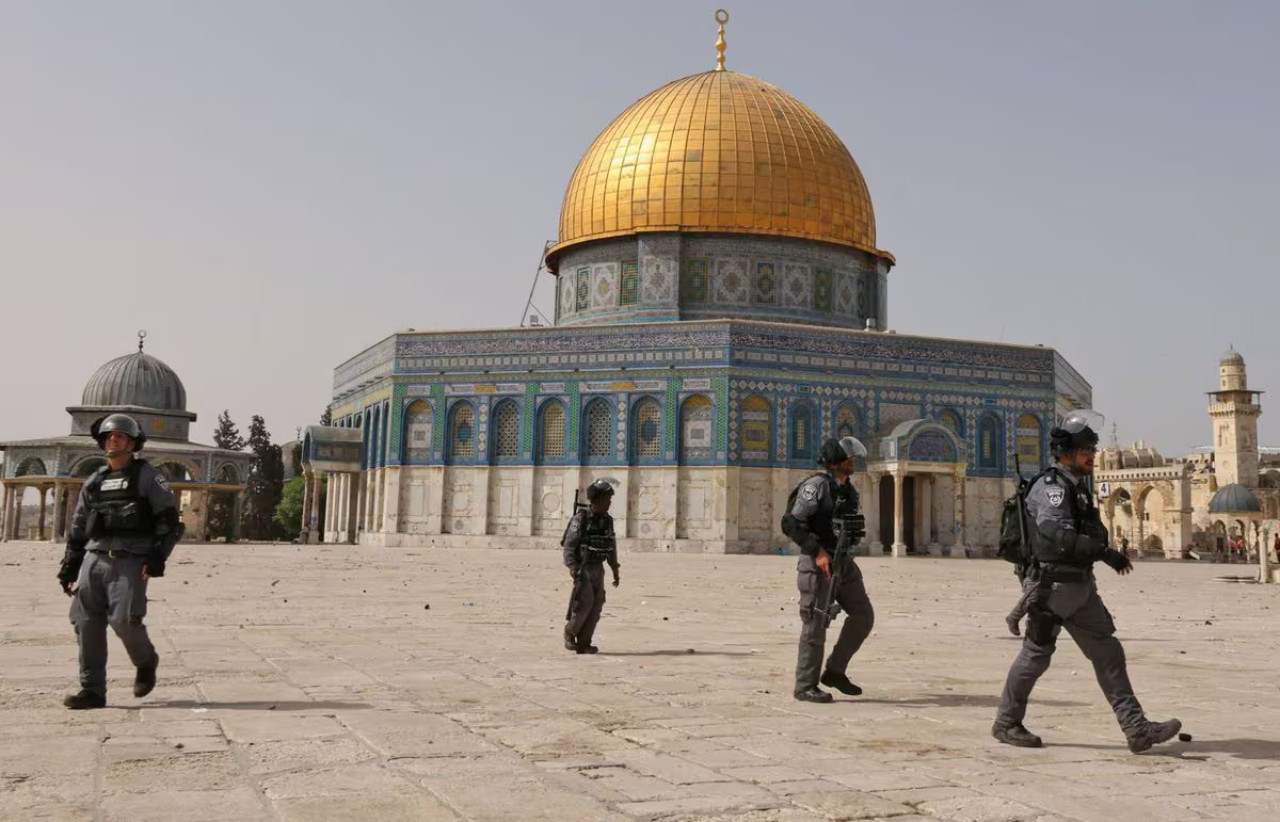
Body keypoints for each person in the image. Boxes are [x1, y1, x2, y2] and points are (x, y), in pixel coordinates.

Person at [993, 410, 1181, 753]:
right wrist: (1104, 553)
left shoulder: (1076, 487)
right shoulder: (1051, 487)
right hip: (1053, 589)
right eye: (1086, 451)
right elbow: (1054, 532)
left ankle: (1135, 728)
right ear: (1067, 453)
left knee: (1108, 652)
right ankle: (1007, 722)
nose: (1092, 457)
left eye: (1093, 451)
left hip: (1080, 589)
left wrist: (1098, 554)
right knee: (1036, 655)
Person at [56, 414, 181, 709]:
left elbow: (168, 520)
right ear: (102, 442)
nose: (114, 440)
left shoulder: (148, 477)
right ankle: (92, 690)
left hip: (130, 560)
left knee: (124, 620)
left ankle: (146, 660)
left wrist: (157, 558)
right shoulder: (95, 482)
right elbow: (78, 528)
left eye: (121, 436)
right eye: (110, 436)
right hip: (94, 560)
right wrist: (69, 568)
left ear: (133, 443)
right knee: (85, 623)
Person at [785, 436, 874, 703]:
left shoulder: (848, 490)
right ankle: (805, 686)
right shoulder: (816, 487)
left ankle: (835, 671)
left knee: (863, 616)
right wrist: (818, 552)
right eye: (848, 458)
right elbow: (791, 523)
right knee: (815, 623)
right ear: (835, 463)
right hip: (818, 565)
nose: (852, 461)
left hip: (844, 563)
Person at [562, 479, 620, 654]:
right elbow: (569, 545)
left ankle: (584, 643)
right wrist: (573, 567)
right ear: (597, 500)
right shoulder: (581, 519)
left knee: (596, 607)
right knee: (584, 604)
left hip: (598, 569)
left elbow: (611, 546)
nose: (609, 503)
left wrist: (615, 570)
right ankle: (570, 632)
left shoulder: (607, 521)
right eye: (607, 499)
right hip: (584, 568)